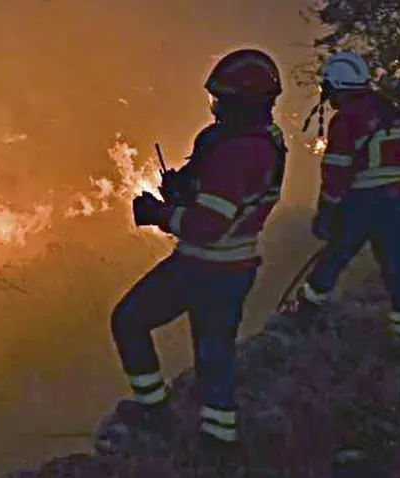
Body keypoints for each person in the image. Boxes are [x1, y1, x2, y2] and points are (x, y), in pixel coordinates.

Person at [95, 49, 287, 468]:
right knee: (214, 357)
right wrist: (182, 187)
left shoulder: (237, 153)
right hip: (234, 268)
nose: (216, 108)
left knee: (129, 320)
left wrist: (158, 214)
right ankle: (221, 443)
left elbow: (207, 224)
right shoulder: (263, 141)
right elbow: (219, 196)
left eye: (222, 100)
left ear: (242, 102)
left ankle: (155, 411)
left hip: (204, 266)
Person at [281, 51, 400, 354]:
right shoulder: (388, 110)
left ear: (336, 86)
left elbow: (337, 171)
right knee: (399, 267)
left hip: (368, 202)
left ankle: (306, 311)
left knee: (335, 255)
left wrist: (326, 211)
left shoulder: (348, 117)